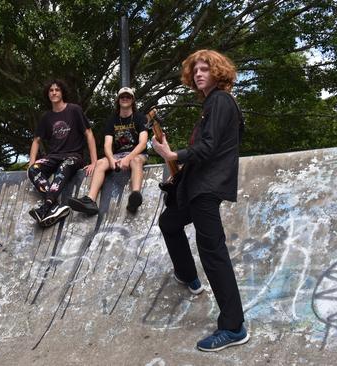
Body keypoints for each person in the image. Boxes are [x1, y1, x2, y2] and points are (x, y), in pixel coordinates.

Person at [151, 50, 248, 351]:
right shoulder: (210, 106)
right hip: (196, 186)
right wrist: (175, 168)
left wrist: (173, 155)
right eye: (195, 70)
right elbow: (210, 148)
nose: (198, 74)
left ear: (218, 72)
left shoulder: (220, 100)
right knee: (169, 221)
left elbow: (208, 148)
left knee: (213, 252)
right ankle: (188, 275)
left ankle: (233, 327)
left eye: (205, 69)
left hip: (206, 189)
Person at [27, 79, 98, 227]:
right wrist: (31, 162)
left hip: (73, 156)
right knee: (33, 169)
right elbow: (36, 140)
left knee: (63, 168)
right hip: (53, 156)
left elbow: (89, 134)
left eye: (57, 90)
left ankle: (47, 206)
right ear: (48, 94)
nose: (54, 93)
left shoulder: (74, 110)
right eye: (51, 90)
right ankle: (54, 206)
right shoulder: (46, 117)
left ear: (62, 92)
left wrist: (94, 162)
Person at [68, 87, 148, 215]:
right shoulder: (112, 120)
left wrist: (128, 158)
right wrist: (111, 159)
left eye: (128, 97)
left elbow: (143, 143)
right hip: (117, 155)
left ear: (132, 100)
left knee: (136, 160)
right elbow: (107, 145)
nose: (125, 99)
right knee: (100, 163)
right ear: (118, 100)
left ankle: (135, 197)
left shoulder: (139, 117)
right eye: (122, 97)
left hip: (137, 153)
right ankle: (90, 201)